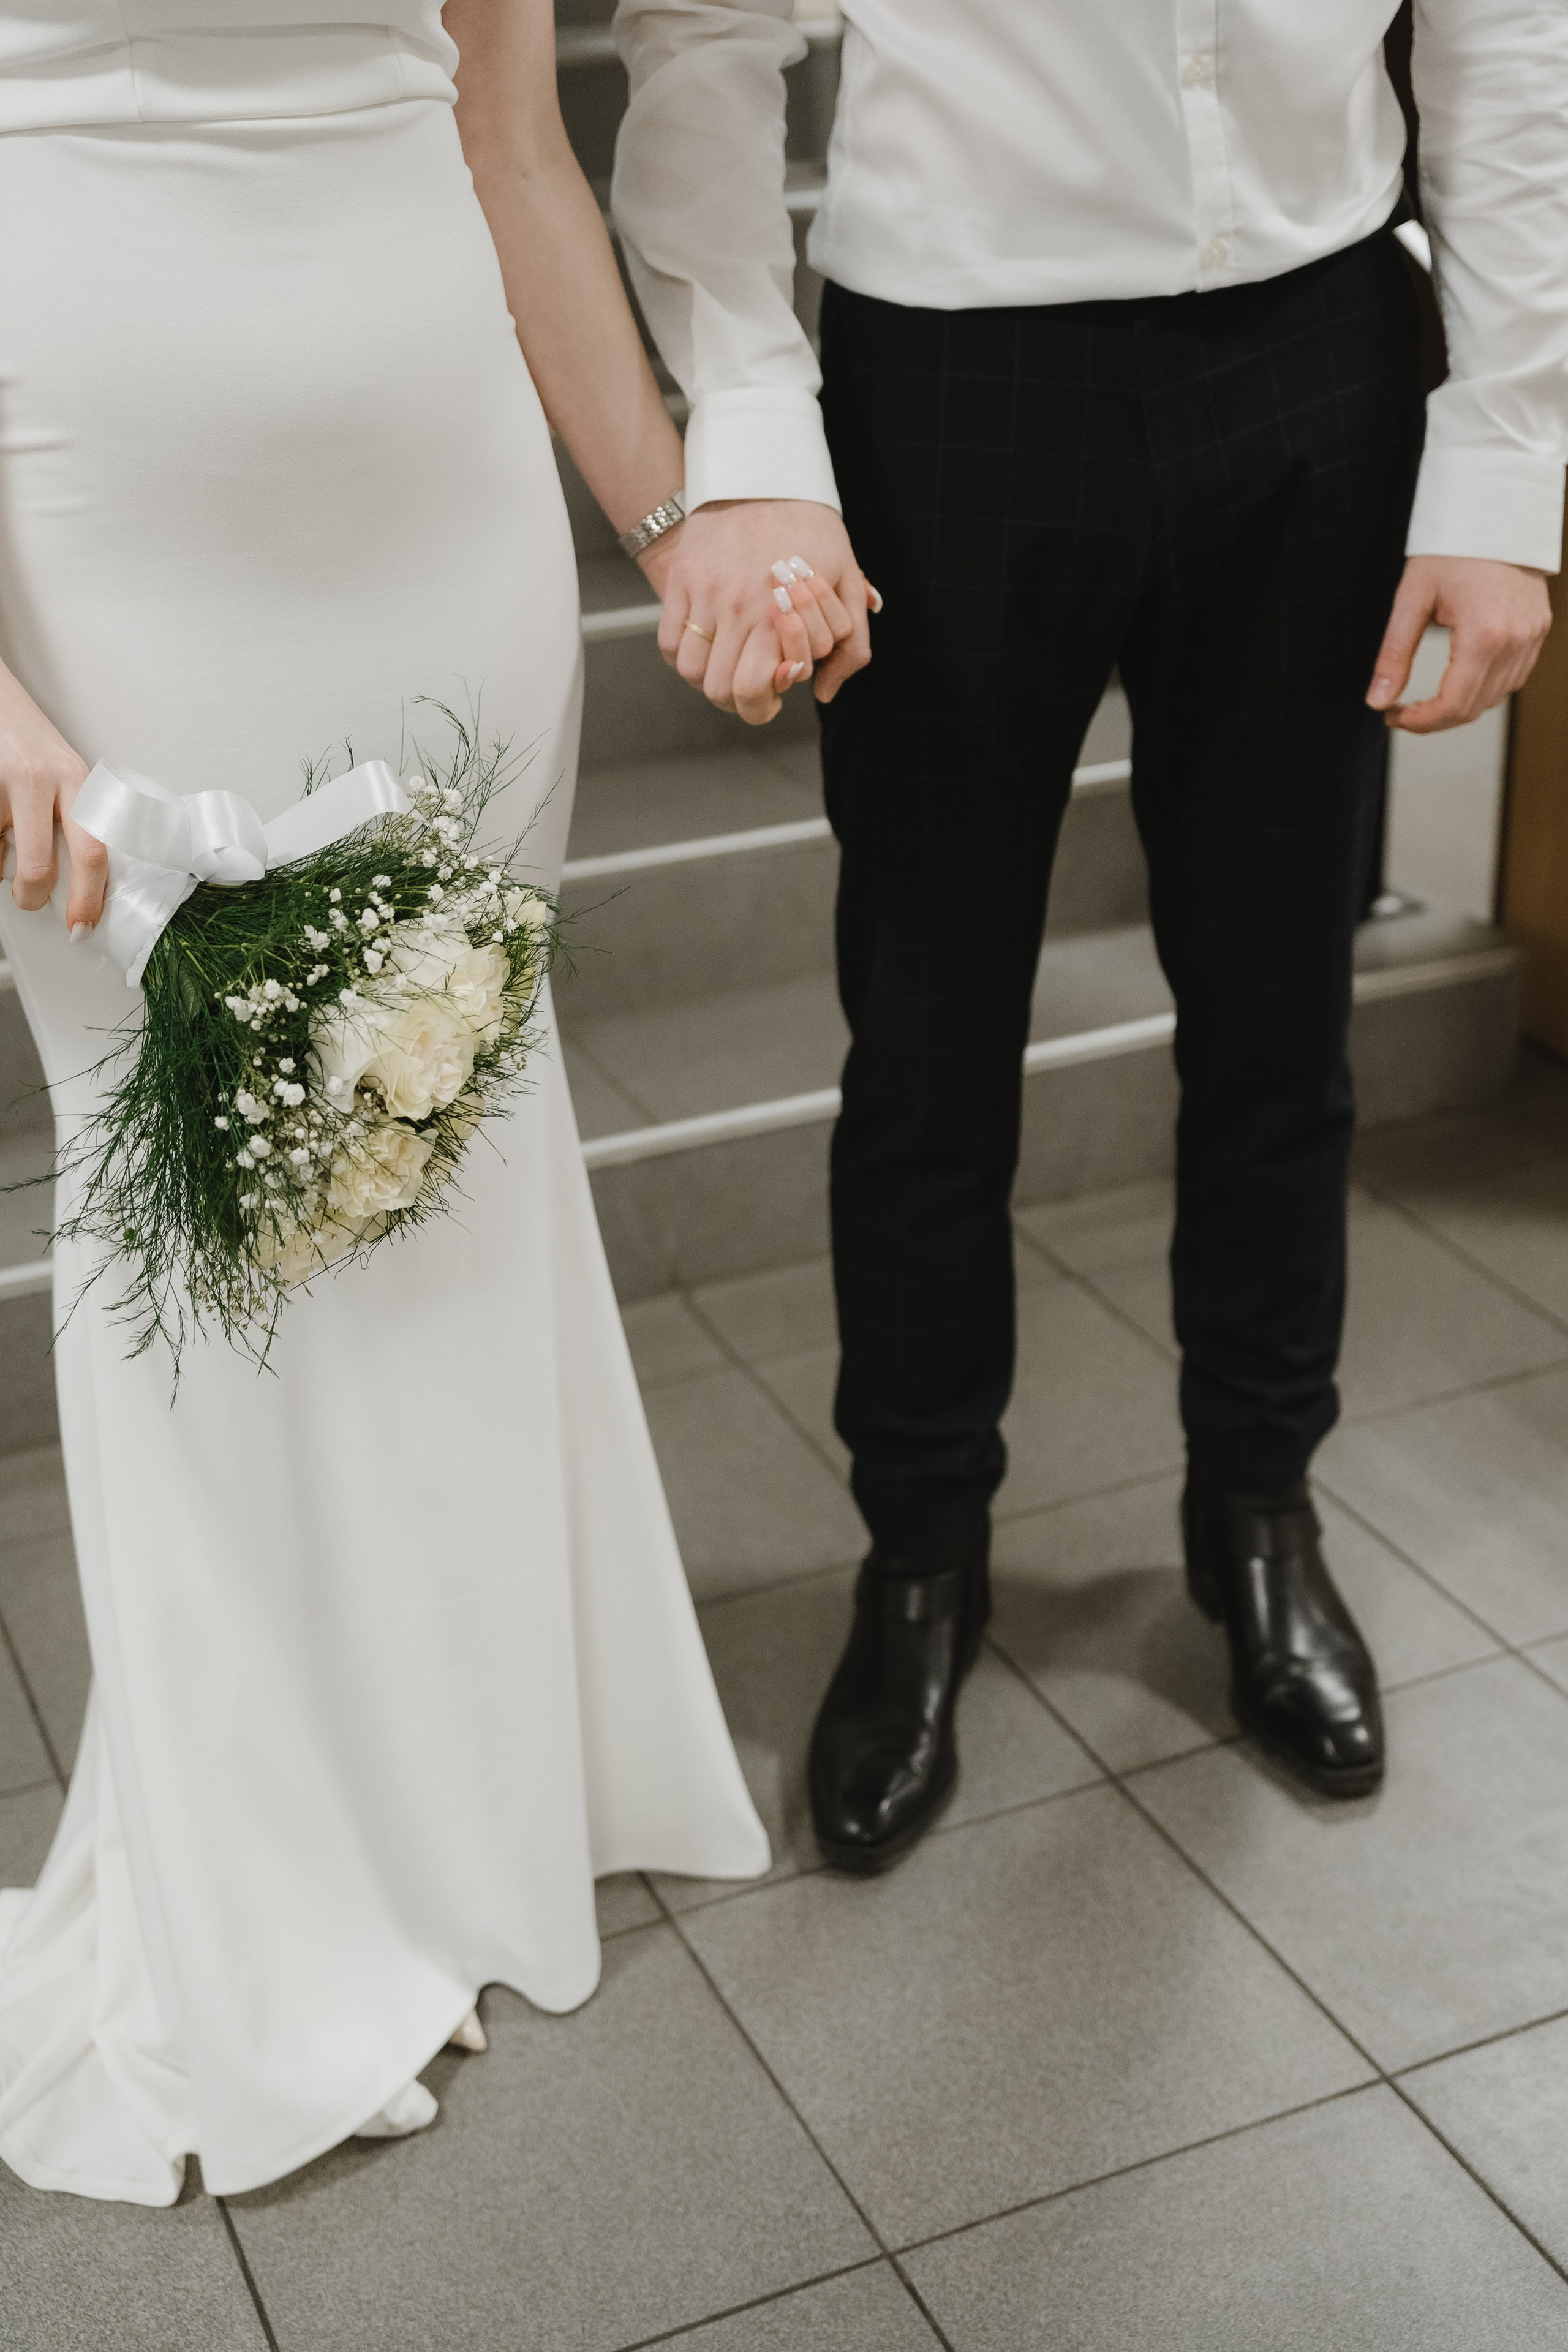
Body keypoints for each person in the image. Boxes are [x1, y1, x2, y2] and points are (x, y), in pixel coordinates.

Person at [612, 0, 1568, 1867]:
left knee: (1282, 1020)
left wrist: (1506, 454)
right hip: (951, 374)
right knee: (928, 1041)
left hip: (1320, 348)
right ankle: (920, 1552)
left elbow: (1501, 25)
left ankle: (1260, 1509)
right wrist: (755, 430)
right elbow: (703, 37)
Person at [0, 0, 772, 2206]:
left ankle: (474, 1813)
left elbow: (509, 126)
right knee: (192, 1196)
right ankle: (259, 1904)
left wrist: (669, 519)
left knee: (451, 1152)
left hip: (441, 492)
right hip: (101, 519)